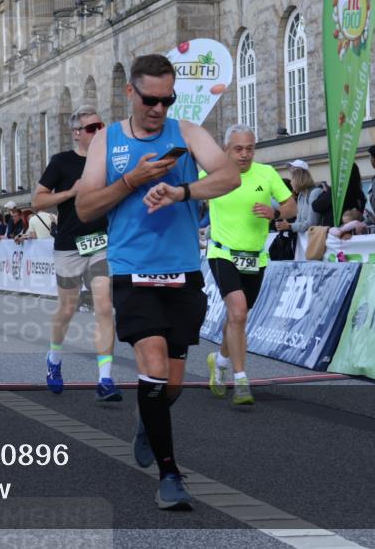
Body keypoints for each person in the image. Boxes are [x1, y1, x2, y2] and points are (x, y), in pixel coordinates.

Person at [75, 54, 240, 510]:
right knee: (152, 361)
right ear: (130, 92)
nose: (159, 109)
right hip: (132, 270)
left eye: (168, 100)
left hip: (183, 270)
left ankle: (149, 420)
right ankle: (169, 476)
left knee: (171, 384)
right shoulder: (107, 140)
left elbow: (229, 176)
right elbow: (85, 209)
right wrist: (131, 180)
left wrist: (182, 191)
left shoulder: (186, 132)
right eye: (151, 100)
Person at [33, 104, 121, 402]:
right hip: (69, 246)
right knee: (67, 309)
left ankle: (105, 378)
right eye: (92, 128)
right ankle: (54, 359)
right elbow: (37, 201)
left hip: (100, 244)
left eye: (101, 126)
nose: (98, 132)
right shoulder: (61, 162)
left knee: (104, 306)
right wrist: (71, 192)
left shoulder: (110, 160)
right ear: (76, 133)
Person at [206, 124, 296, 406]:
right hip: (222, 253)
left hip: (256, 257)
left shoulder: (266, 174)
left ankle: (220, 361)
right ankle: (241, 380)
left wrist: (275, 212)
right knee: (238, 311)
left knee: (238, 317)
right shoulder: (212, 174)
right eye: (238, 149)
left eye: (249, 149)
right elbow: (186, 196)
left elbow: (292, 206)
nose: (244, 154)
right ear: (226, 149)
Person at [274, 160, 322, 235]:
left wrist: (289, 226)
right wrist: (287, 225)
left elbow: (312, 223)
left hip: (313, 238)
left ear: (299, 178)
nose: (291, 182)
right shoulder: (301, 195)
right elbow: (299, 221)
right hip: (304, 239)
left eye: (292, 178)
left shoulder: (314, 192)